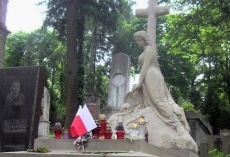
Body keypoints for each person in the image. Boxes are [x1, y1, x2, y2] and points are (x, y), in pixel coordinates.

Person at [131, 30, 189, 136]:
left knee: (158, 100)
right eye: (136, 40)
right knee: (152, 102)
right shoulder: (145, 51)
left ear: (144, 39)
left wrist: (139, 83)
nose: (137, 42)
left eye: (139, 40)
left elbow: (145, 66)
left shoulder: (150, 49)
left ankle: (177, 125)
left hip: (152, 75)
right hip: (147, 76)